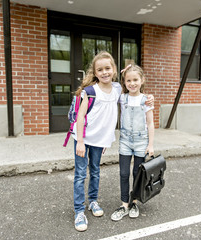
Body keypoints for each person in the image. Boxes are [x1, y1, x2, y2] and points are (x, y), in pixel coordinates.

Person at [71, 52, 153, 231]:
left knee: (95, 172)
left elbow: (133, 90)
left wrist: (148, 97)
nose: (104, 72)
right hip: (83, 140)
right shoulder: (90, 91)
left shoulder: (117, 89)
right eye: (100, 69)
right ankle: (79, 211)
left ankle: (93, 201)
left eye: (108, 68)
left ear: (114, 70)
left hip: (99, 142)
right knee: (80, 174)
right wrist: (79, 142)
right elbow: (80, 116)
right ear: (94, 72)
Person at [111, 64, 155, 221]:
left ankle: (134, 202)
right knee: (123, 173)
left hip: (141, 141)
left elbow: (150, 123)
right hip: (125, 141)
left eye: (135, 79)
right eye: (128, 80)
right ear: (124, 82)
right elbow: (112, 86)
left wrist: (150, 145)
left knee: (137, 173)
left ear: (142, 80)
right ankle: (124, 204)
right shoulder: (122, 98)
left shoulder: (146, 100)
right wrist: (121, 73)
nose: (132, 83)